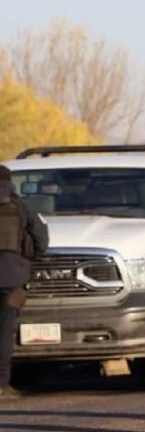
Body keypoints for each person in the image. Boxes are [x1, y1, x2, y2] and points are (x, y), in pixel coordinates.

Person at [0, 165, 49, 397]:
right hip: (13, 278)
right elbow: (41, 239)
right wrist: (31, 260)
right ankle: (1, 384)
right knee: (5, 330)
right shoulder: (23, 208)